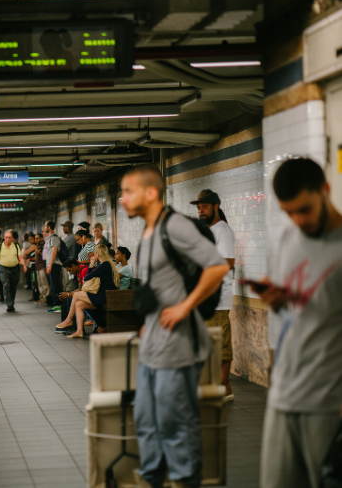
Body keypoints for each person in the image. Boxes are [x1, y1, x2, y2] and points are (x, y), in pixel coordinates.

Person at [121, 165, 229, 488]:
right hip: (153, 344)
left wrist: (184, 307)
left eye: (128, 191)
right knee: (146, 420)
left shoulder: (176, 226)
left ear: (151, 193)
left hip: (178, 346)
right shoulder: (148, 231)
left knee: (175, 423)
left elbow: (217, 266)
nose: (123, 199)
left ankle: (185, 480)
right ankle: (153, 478)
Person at [251, 159, 342, 488]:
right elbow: (299, 309)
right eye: (289, 212)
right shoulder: (290, 238)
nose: (298, 220)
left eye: (304, 210)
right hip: (283, 395)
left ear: (326, 190)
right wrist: (278, 300)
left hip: (329, 402)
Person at [191, 189, 236, 400]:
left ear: (216, 207)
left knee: (221, 341)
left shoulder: (222, 230)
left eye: (205, 207)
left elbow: (227, 262)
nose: (201, 211)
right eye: (199, 207)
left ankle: (224, 386)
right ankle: (212, 384)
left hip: (218, 296)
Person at [57, 244, 120, 338]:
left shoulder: (105, 264)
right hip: (103, 295)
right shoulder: (106, 264)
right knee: (78, 304)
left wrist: (92, 264)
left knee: (76, 295)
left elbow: (87, 277)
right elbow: (88, 277)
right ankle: (79, 331)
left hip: (103, 296)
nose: (94, 254)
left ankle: (68, 320)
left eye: (95, 252)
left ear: (98, 254)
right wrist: (91, 263)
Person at [0, 230, 25, 313]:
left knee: (13, 287)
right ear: (4, 238)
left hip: (14, 269)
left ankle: (11, 303)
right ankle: (9, 305)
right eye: (6, 237)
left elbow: (20, 256)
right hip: (3, 269)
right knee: (6, 285)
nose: (8, 239)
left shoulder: (16, 246)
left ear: (12, 238)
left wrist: (24, 265)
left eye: (9, 238)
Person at [43, 221, 63, 310]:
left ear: (49, 227)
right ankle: (55, 303)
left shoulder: (54, 238)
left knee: (55, 285)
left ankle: (58, 304)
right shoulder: (50, 238)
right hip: (51, 264)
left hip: (54, 264)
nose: (44, 227)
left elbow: (54, 252)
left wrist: (50, 265)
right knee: (52, 285)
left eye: (45, 226)